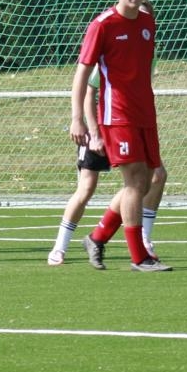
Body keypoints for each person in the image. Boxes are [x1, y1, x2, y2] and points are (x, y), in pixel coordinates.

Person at [69, 0, 171, 272]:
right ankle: (139, 257)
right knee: (135, 181)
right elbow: (82, 75)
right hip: (117, 115)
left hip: (145, 114)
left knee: (147, 180)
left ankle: (97, 238)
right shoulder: (103, 25)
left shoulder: (148, 22)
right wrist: (78, 118)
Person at [48, 67, 168, 265]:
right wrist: (93, 133)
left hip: (127, 123)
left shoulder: (146, 53)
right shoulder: (107, 57)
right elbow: (89, 91)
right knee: (86, 188)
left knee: (155, 177)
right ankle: (60, 247)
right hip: (101, 125)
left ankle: (141, 240)